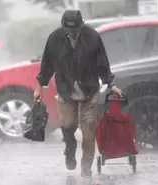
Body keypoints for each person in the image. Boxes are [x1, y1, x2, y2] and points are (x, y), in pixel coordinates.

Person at [34, 10, 122, 177]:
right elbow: (47, 64)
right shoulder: (55, 39)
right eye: (69, 31)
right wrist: (39, 87)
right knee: (67, 125)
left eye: (75, 31)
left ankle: (86, 171)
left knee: (89, 129)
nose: (73, 35)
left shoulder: (92, 37)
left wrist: (111, 85)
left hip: (89, 89)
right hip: (66, 90)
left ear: (81, 26)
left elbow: (102, 63)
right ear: (64, 28)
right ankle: (70, 147)